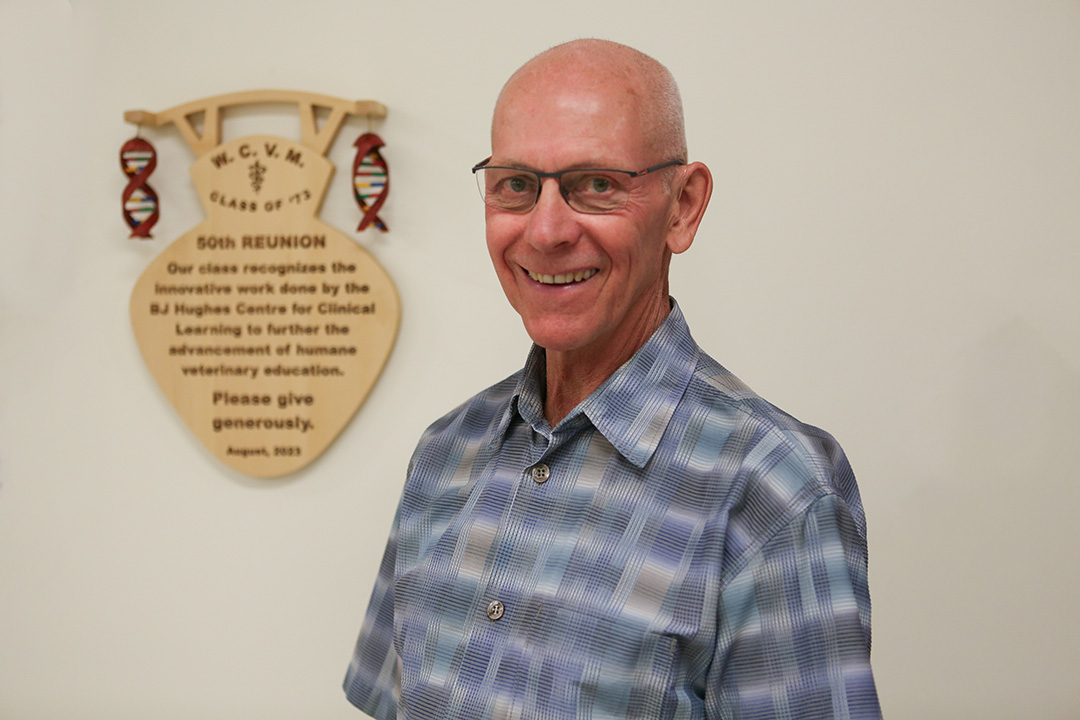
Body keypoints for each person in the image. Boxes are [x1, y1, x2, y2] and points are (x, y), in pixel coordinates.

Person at [344, 39, 881, 720]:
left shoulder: (776, 489)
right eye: (515, 185)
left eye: (595, 184)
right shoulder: (445, 455)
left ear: (683, 207)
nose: (545, 230)